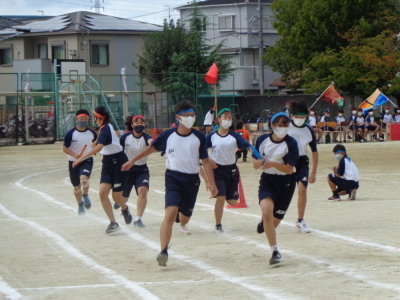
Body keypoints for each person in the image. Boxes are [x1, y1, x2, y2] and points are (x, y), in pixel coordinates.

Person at [122, 100, 218, 267]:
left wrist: (212, 183)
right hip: (173, 177)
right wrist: (133, 161)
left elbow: (205, 161)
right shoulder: (169, 135)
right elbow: (150, 149)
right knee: (170, 213)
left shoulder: (200, 137)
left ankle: (182, 215)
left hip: (192, 180)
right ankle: (163, 250)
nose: (190, 118)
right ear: (178, 117)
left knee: (185, 218)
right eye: (186, 115)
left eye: (192, 115)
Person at [73, 106, 132, 234]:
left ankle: (124, 208)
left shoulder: (105, 129)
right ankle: (113, 223)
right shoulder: (103, 129)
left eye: (94, 117)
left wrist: (80, 158)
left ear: (97, 117)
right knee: (102, 193)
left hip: (119, 162)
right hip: (107, 162)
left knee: (116, 197)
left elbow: (99, 147)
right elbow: (101, 143)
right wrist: (94, 143)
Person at [254, 112, 299, 265]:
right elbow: (255, 164)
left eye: (285, 125)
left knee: (274, 221)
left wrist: (272, 163)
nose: (282, 128)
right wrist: (260, 163)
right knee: (267, 212)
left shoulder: (291, 143)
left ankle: (265, 223)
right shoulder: (262, 140)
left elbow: (289, 169)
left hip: (286, 183)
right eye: (279, 125)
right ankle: (275, 251)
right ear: (272, 125)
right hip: (268, 180)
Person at [207, 108, 251, 232]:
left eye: (229, 118)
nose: (227, 120)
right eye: (225, 117)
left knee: (232, 201)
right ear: (219, 119)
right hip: (218, 170)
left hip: (231, 169)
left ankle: (226, 193)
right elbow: (201, 150)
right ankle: (218, 225)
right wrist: (208, 160)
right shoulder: (212, 136)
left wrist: (257, 155)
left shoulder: (235, 136)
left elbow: (247, 146)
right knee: (221, 197)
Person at [287, 101, 318, 233]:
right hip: (286, 160)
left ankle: (300, 220)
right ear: (292, 115)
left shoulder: (309, 131)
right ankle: (269, 215)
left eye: (302, 117)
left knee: (302, 189)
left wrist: (314, 172)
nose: (299, 119)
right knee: (281, 190)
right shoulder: (285, 127)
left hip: (302, 161)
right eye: (297, 117)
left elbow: (315, 152)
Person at [120, 115, 153, 228]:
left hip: (141, 169)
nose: (139, 124)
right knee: (123, 198)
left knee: (143, 191)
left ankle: (138, 219)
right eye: (136, 122)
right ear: (132, 125)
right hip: (127, 170)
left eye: (142, 122)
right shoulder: (125, 138)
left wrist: (153, 142)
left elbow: (150, 141)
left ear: (145, 125)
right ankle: (124, 210)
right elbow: (118, 151)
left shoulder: (146, 137)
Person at [63, 109, 97, 215]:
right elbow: (65, 148)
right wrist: (75, 155)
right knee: (76, 187)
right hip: (73, 161)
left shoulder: (91, 133)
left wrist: (93, 148)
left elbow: (96, 142)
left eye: (85, 119)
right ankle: (80, 204)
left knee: (84, 179)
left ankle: (85, 195)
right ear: (77, 119)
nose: (83, 121)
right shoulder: (70, 133)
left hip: (86, 159)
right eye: (81, 119)